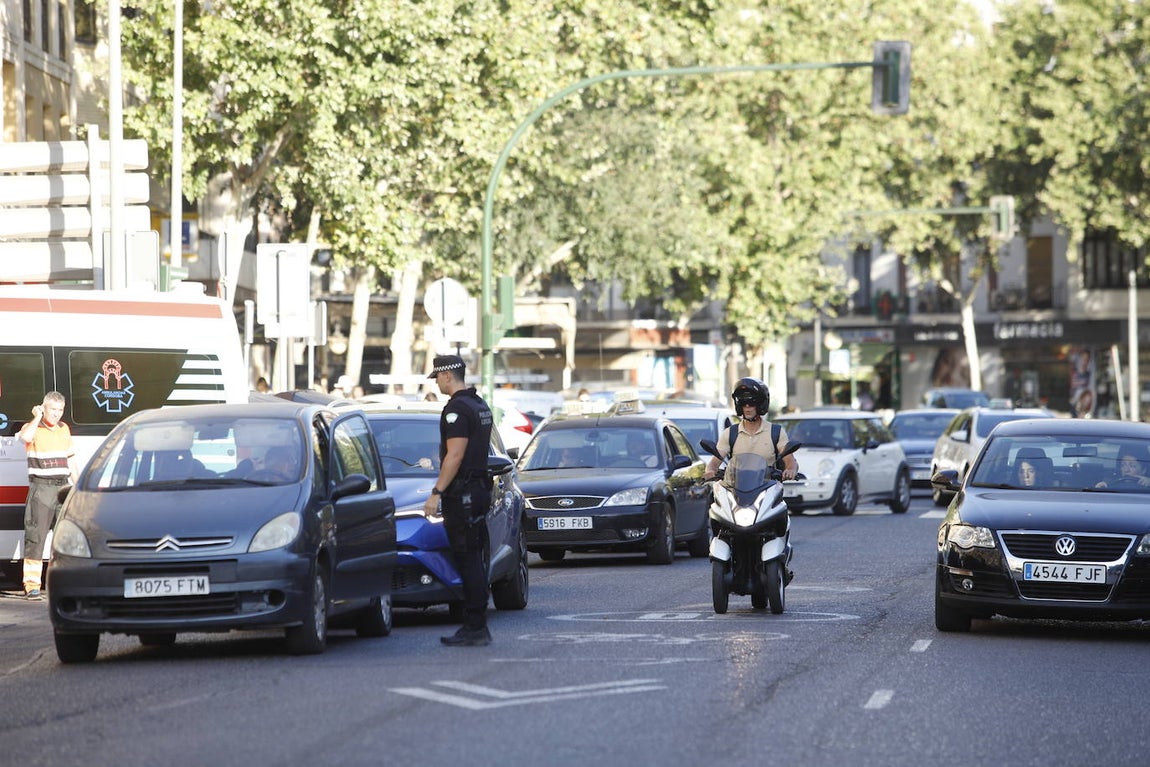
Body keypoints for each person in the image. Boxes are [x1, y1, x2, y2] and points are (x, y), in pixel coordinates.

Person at [422, 355, 496, 647]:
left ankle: (476, 625)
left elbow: (455, 455)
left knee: (467, 559)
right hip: (478, 489)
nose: (437, 383)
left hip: (462, 493)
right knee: (474, 557)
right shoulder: (480, 405)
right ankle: (476, 622)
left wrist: (436, 492)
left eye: (437, 378)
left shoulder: (456, 410)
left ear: (446, 376)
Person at [18, 391, 77, 600]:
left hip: (63, 487)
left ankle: (60, 582)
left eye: (60, 410)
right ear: (44, 408)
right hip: (41, 488)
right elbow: (25, 437)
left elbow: (70, 461)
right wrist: (37, 416)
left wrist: (78, 487)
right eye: (53, 409)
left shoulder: (64, 429)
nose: (57, 414)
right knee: (36, 537)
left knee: (64, 537)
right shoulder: (33, 428)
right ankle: (32, 585)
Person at [704, 378, 798, 485]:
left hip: (768, 490)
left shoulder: (776, 432)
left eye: (752, 402)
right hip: (737, 491)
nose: (747, 407)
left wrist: (790, 470)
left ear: (761, 404)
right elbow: (714, 463)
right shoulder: (730, 433)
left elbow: (790, 461)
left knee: (782, 503)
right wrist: (710, 471)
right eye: (743, 402)